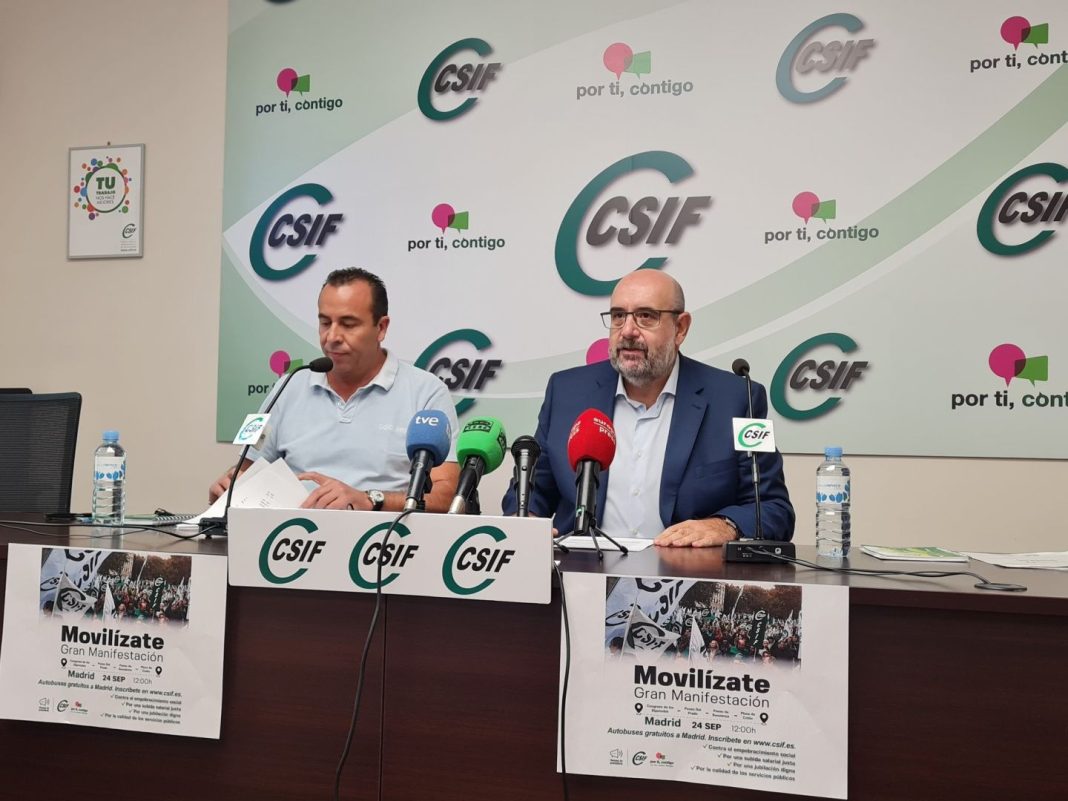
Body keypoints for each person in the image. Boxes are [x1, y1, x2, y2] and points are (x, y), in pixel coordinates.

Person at [502, 270, 793, 545]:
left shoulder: (737, 400)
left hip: (683, 574)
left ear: (680, 328)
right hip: (581, 571)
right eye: (618, 316)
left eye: (645, 316)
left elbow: (773, 508)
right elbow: (531, 490)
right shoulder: (567, 392)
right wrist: (525, 519)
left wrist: (724, 525)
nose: (628, 331)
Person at [209, 267, 460, 512]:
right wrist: (229, 487)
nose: (332, 337)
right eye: (325, 322)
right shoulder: (286, 386)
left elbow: (447, 496)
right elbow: (246, 472)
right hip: (292, 533)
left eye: (348, 324)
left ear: (381, 328)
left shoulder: (426, 392)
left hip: (384, 535)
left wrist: (370, 500)